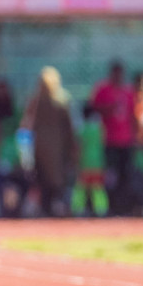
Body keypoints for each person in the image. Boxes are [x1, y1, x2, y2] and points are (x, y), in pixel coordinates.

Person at [22, 66, 76, 216]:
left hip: (53, 146)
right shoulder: (39, 101)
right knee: (47, 180)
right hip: (45, 146)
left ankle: (54, 208)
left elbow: (69, 127)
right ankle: (49, 208)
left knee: (54, 180)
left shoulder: (59, 101)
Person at [90, 62, 138, 214]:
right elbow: (93, 110)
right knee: (110, 176)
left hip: (125, 141)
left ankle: (124, 207)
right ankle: (108, 207)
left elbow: (132, 115)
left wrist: (135, 137)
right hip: (109, 140)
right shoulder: (103, 90)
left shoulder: (128, 92)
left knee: (125, 176)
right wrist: (109, 109)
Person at [70, 103, 109, 217]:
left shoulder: (82, 130)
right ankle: (101, 209)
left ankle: (77, 209)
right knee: (98, 187)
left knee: (81, 188)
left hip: (84, 163)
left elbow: (77, 147)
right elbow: (103, 143)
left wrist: (75, 161)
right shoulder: (99, 129)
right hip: (98, 163)